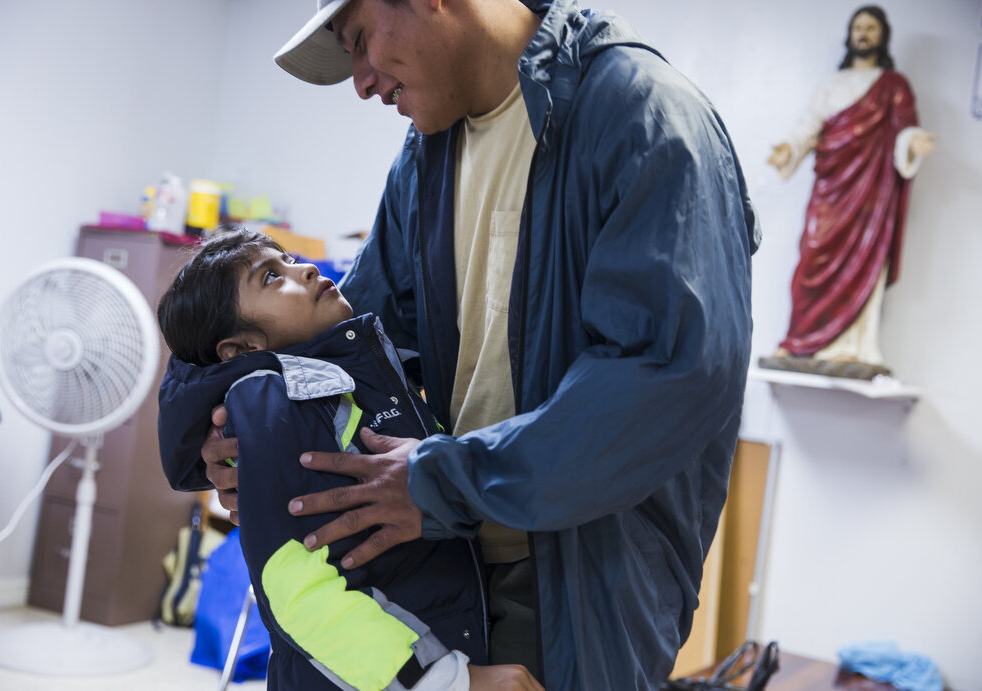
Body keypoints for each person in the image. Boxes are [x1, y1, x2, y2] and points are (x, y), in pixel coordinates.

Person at [183, 1, 760, 688]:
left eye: (362, 40)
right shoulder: (426, 158)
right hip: (436, 560)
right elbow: (341, 340)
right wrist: (221, 422)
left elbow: (662, 382)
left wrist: (437, 483)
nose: (360, 82)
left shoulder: (642, 116)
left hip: (572, 587)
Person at [156, 228, 541, 690]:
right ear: (242, 351)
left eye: (290, 259)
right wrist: (445, 679)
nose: (307, 268)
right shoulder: (273, 402)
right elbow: (297, 589)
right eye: (273, 277)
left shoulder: (363, 375)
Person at [763, 5, 936, 379]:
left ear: (882, 35)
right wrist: (788, 150)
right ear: (849, 34)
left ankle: (852, 348)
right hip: (831, 190)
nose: (864, 33)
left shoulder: (894, 85)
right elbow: (808, 128)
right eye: (858, 27)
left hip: (869, 197)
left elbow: (904, 126)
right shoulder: (832, 85)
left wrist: (911, 140)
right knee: (812, 257)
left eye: (871, 28)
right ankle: (801, 342)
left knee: (863, 260)